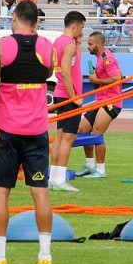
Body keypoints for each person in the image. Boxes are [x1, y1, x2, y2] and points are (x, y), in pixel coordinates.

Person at [0, 0, 56, 264]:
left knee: (1, 192)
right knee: (40, 193)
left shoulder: (1, 46)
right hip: (37, 130)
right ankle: (45, 258)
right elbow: (48, 73)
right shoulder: (48, 47)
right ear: (36, 23)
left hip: (7, 131)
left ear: (14, 17)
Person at [72, 33, 123, 179]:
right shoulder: (100, 58)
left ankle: (101, 170)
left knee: (97, 133)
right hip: (100, 100)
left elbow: (116, 78)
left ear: (98, 44)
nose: (88, 47)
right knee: (82, 130)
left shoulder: (107, 58)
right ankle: (89, 165)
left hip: (111, 101)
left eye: (90, 44)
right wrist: (96, 80)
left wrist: (96, 78)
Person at [49, 11, 87, 192]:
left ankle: (54, 178)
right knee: (69, 138)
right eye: (82, 27)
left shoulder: (59, 41)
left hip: (60, 93)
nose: (82, 31)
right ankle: (59, 180)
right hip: (68, 96)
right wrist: (75, 98)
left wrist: (78, 44)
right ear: (75, 26)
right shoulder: (68, 45)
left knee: (60, 137)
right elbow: (65, 72)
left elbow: (70, 67)